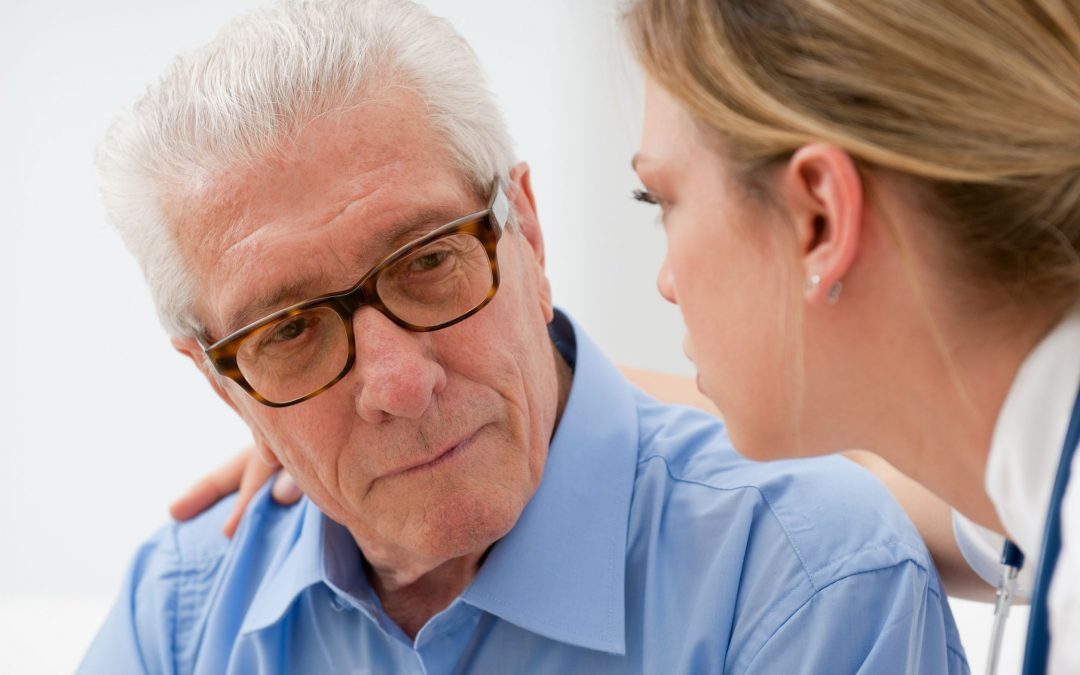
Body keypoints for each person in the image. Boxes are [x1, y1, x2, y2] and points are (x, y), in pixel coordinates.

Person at [78, 1, 971, 673]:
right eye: (292, 330)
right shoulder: (182, 611)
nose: (397, 383)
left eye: (428, 261)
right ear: (220, 381)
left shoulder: (801, 572)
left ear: (529, 237)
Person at [622, 0, 1080, 672]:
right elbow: (866, 471)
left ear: (819, 219)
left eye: (662, 200)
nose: (666, 281)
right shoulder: (1023, 461)